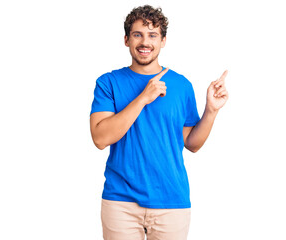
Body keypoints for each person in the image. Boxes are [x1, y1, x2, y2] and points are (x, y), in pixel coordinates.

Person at [89, 5, 229, 240]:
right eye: (137, 34)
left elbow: (192, 144)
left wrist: (211, 111)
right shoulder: (108, 83)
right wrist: (143, 97)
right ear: (126, 40)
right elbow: (100, 138)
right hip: (120, 202)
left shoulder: (182, 85)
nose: (145, 42)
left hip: (171, 202)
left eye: (153, 35)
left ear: (163, 41)